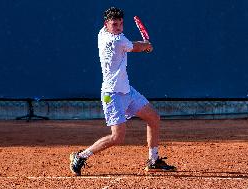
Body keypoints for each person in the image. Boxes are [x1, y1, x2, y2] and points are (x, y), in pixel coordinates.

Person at [70, 7, 176, 176]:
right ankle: (81, 156)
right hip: (112, 94)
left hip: (126, 91)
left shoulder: (102, 32)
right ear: (107, 24)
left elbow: (132, 44)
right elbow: (136, 47)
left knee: (153, 117)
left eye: (121, 24)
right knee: (117, 137)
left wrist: (144, 46)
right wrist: (147, 46)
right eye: (115, 24)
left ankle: (153, 160)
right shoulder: (117, 40)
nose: (119, 27)